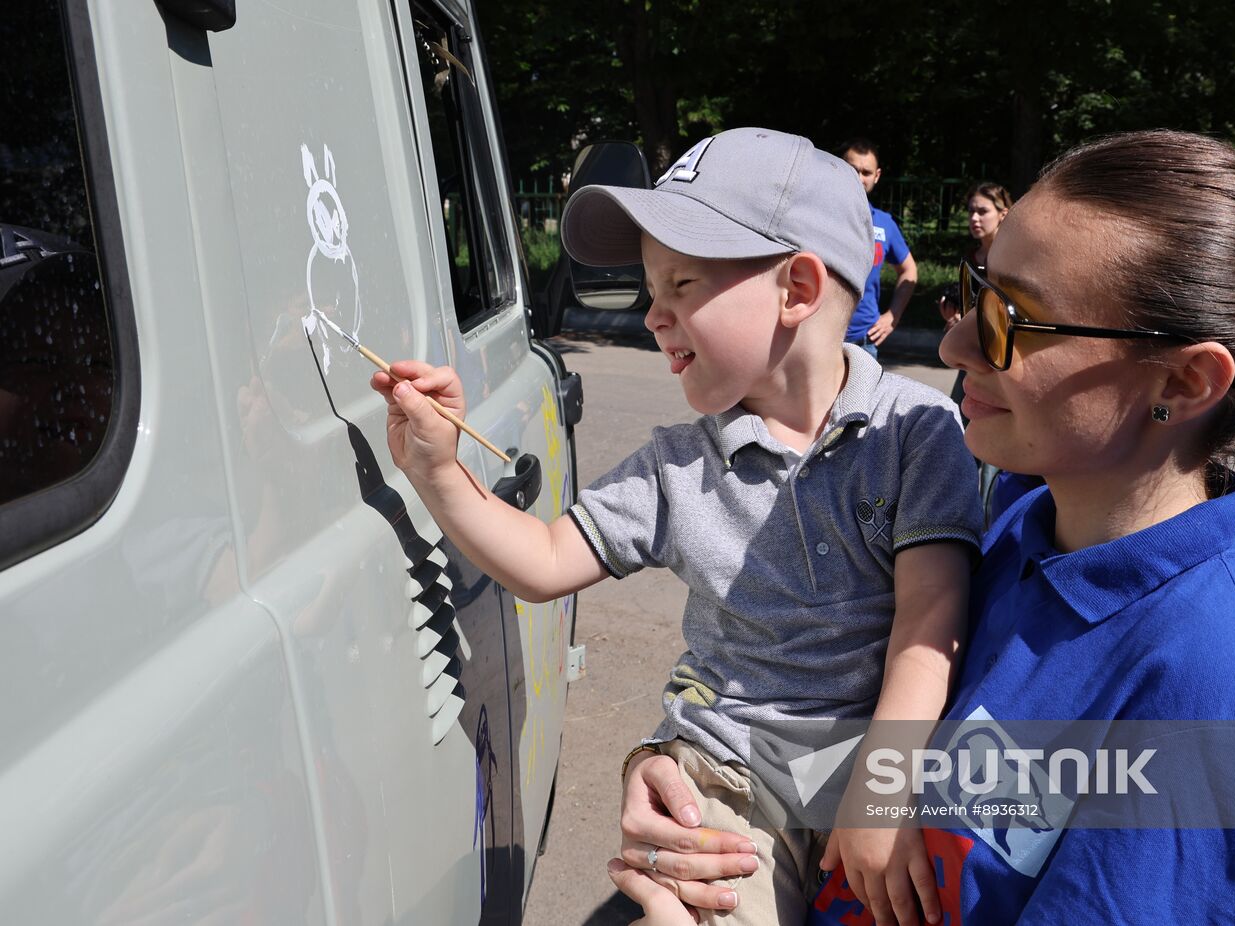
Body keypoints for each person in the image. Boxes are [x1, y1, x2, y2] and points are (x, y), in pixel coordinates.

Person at [610, 129, 1235, 925]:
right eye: (975, 290)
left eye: (1009, 319)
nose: (954, 344)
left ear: (1184, 381)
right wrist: (689, 775)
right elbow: (911, 764)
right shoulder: (1021, 525)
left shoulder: (1217, 694)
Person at [374, 127, 983, 925]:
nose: (653, 315)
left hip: (875, 765)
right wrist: (437, 471)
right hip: (728, 779)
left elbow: (930, 617)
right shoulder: (675, 466)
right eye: (650, 288)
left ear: (797, 289)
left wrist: (882, 782)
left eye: (682, 284)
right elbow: (545, 560)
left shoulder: (917, 429)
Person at [840, 138, 918, 360]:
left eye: (866, 172)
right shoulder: (819, 215)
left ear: (877, 176)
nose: (859, 178)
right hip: (819, 338)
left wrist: (892, 316)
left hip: (864, 342)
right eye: (853, 170)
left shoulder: (884, 224)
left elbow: (909, 270)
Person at [946, 183, 1013, 421]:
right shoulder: (970, 257)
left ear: (1003, 213)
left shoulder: (1014, 257)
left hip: (1003, 357)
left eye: (983, 211)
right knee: (958, 418)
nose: (974, 218)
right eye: (971, 211)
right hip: (975, 352)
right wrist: (958, 319)